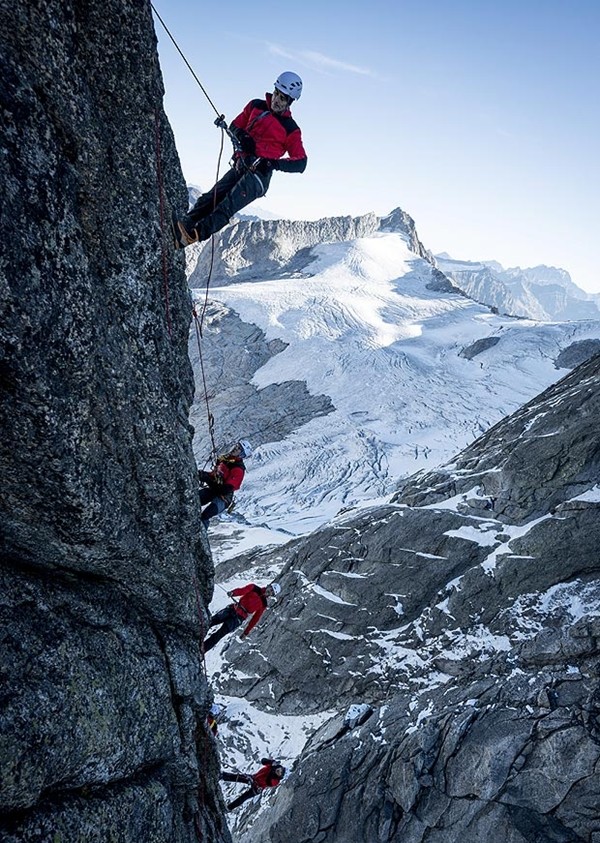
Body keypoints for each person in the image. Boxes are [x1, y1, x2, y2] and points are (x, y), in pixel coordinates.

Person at [173, 71, 307, 248]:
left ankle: (190, 236)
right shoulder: (255, 106)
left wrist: (272, 163)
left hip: (259, 176)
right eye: (276, 93)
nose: (276, 100)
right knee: (211, 197)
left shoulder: (291, 129)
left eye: (282, 98)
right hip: (242, 164)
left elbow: (301, 162)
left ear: (290, 102)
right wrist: (244, 137)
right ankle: (185, 225)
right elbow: (236, 125)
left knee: (226, 206)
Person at [203, 582, 281, 652]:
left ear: (272, 595)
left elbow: (255, 619)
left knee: (219, 634)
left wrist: (246, 633)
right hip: (233, 609)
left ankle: (203, 648)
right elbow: (243, 590)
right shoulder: (254, 588)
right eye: (271, 589)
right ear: (268, 586)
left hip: (238, 619)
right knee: (212, 621)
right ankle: (198, 634)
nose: (269, 592)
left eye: (272, 592)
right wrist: (233, 593)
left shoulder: (263, 604)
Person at [198, 440, 252, 528]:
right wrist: (204, 475)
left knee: (205, 515)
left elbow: (225, 489)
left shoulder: (238, 469)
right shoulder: (226, 460)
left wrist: (207, 479)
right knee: (195, 499)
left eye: (239, 448)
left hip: (224, 498)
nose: (235, 448)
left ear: (241, 454)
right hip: (214, 490)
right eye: (237, 446)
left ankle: (200, 538)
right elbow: (215, 475)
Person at [221, 759, 286, 810]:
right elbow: (263, 761)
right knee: (240, 777)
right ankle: (223, 776)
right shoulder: (271, 766)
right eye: (280, 770)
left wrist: (272, 767)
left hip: (257, 788)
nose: (279, 771)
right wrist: (270, 762)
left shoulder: (276, 781)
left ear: (279, 776)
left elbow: (268, 781)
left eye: (280, 773)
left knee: (244, 797)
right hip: (254, 778)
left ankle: (229, 808)